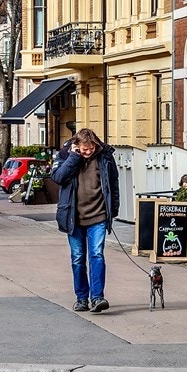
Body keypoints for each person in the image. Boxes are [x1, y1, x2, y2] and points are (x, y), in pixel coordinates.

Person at [51, 128, 120, 314]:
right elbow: (58, 177)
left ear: (95, 145)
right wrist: (74, 158)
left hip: (98, 215)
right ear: (77, 146)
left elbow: (114, 182)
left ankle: (97, 297)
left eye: (91, 148)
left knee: (97, 255)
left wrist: (113, 209)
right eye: (84, 149)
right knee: (78, 258)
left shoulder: (105, 156)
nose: (88, 152)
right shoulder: (66, 155)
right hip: (74, 217)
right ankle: (81, 298)